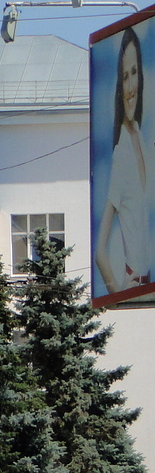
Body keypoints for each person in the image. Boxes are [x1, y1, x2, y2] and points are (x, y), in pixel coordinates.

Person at [96, 28, 153, 294]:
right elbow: (99, 251)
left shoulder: (141, 138)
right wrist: (117, 292)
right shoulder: (121, 153)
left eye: (134, 73)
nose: (130, 86)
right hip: (135, 288)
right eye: (124, 77)